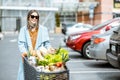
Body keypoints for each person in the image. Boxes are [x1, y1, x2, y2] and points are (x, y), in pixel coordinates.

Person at [17, 10, 54, 80]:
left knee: (39, 76)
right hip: (28, 59)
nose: (34, 18)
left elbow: (47, 44)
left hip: (40, 58)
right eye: (32, 16)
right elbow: (21, 44)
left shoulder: (43, 29)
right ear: (28, 18)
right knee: (26, 76)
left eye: (36, 17)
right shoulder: (23, 30)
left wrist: (50, 49)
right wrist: (25, 53)